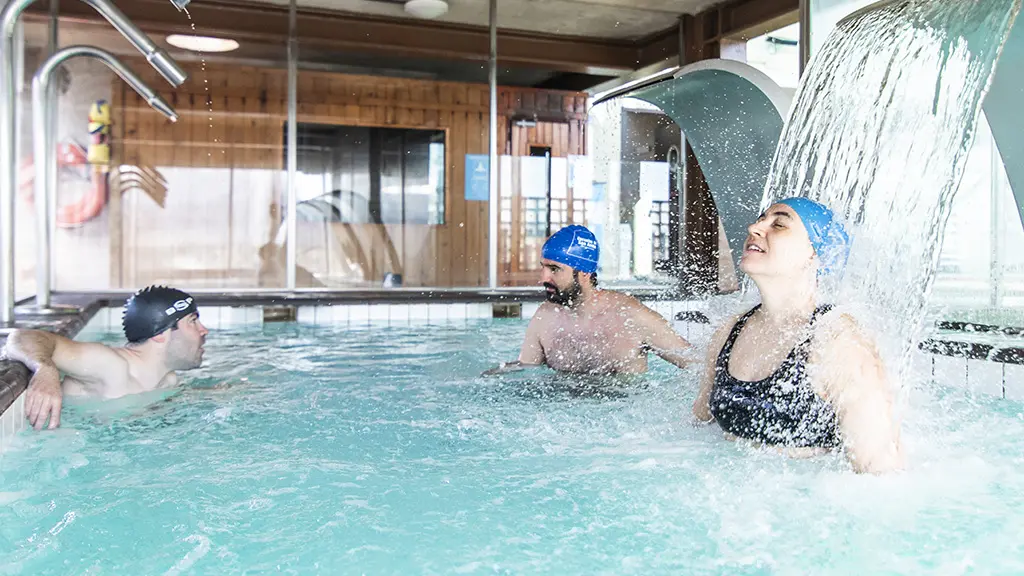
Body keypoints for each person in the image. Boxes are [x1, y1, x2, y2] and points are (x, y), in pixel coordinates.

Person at [691, 197, 904, 474]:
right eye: (760, 219)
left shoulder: (837, 340)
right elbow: (699, 428)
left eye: (778, 224)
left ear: (815, 254)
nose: (754, 227)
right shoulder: (729, 332)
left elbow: (878, 467)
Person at [486, 224, 695, 375]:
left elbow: (696, 365)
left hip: (627, 430)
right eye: (543, 267)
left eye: (554, 269)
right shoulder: (545, 317)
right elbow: (526, 372)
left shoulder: (631, 317)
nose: (543, 278)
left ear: (584, 273)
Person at [2, 285, 208, 430]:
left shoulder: (167, 381)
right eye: (193, 321)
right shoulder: (109, 366)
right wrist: (45, 369)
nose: (204, 330)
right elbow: (22, 336)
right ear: (160, 334)